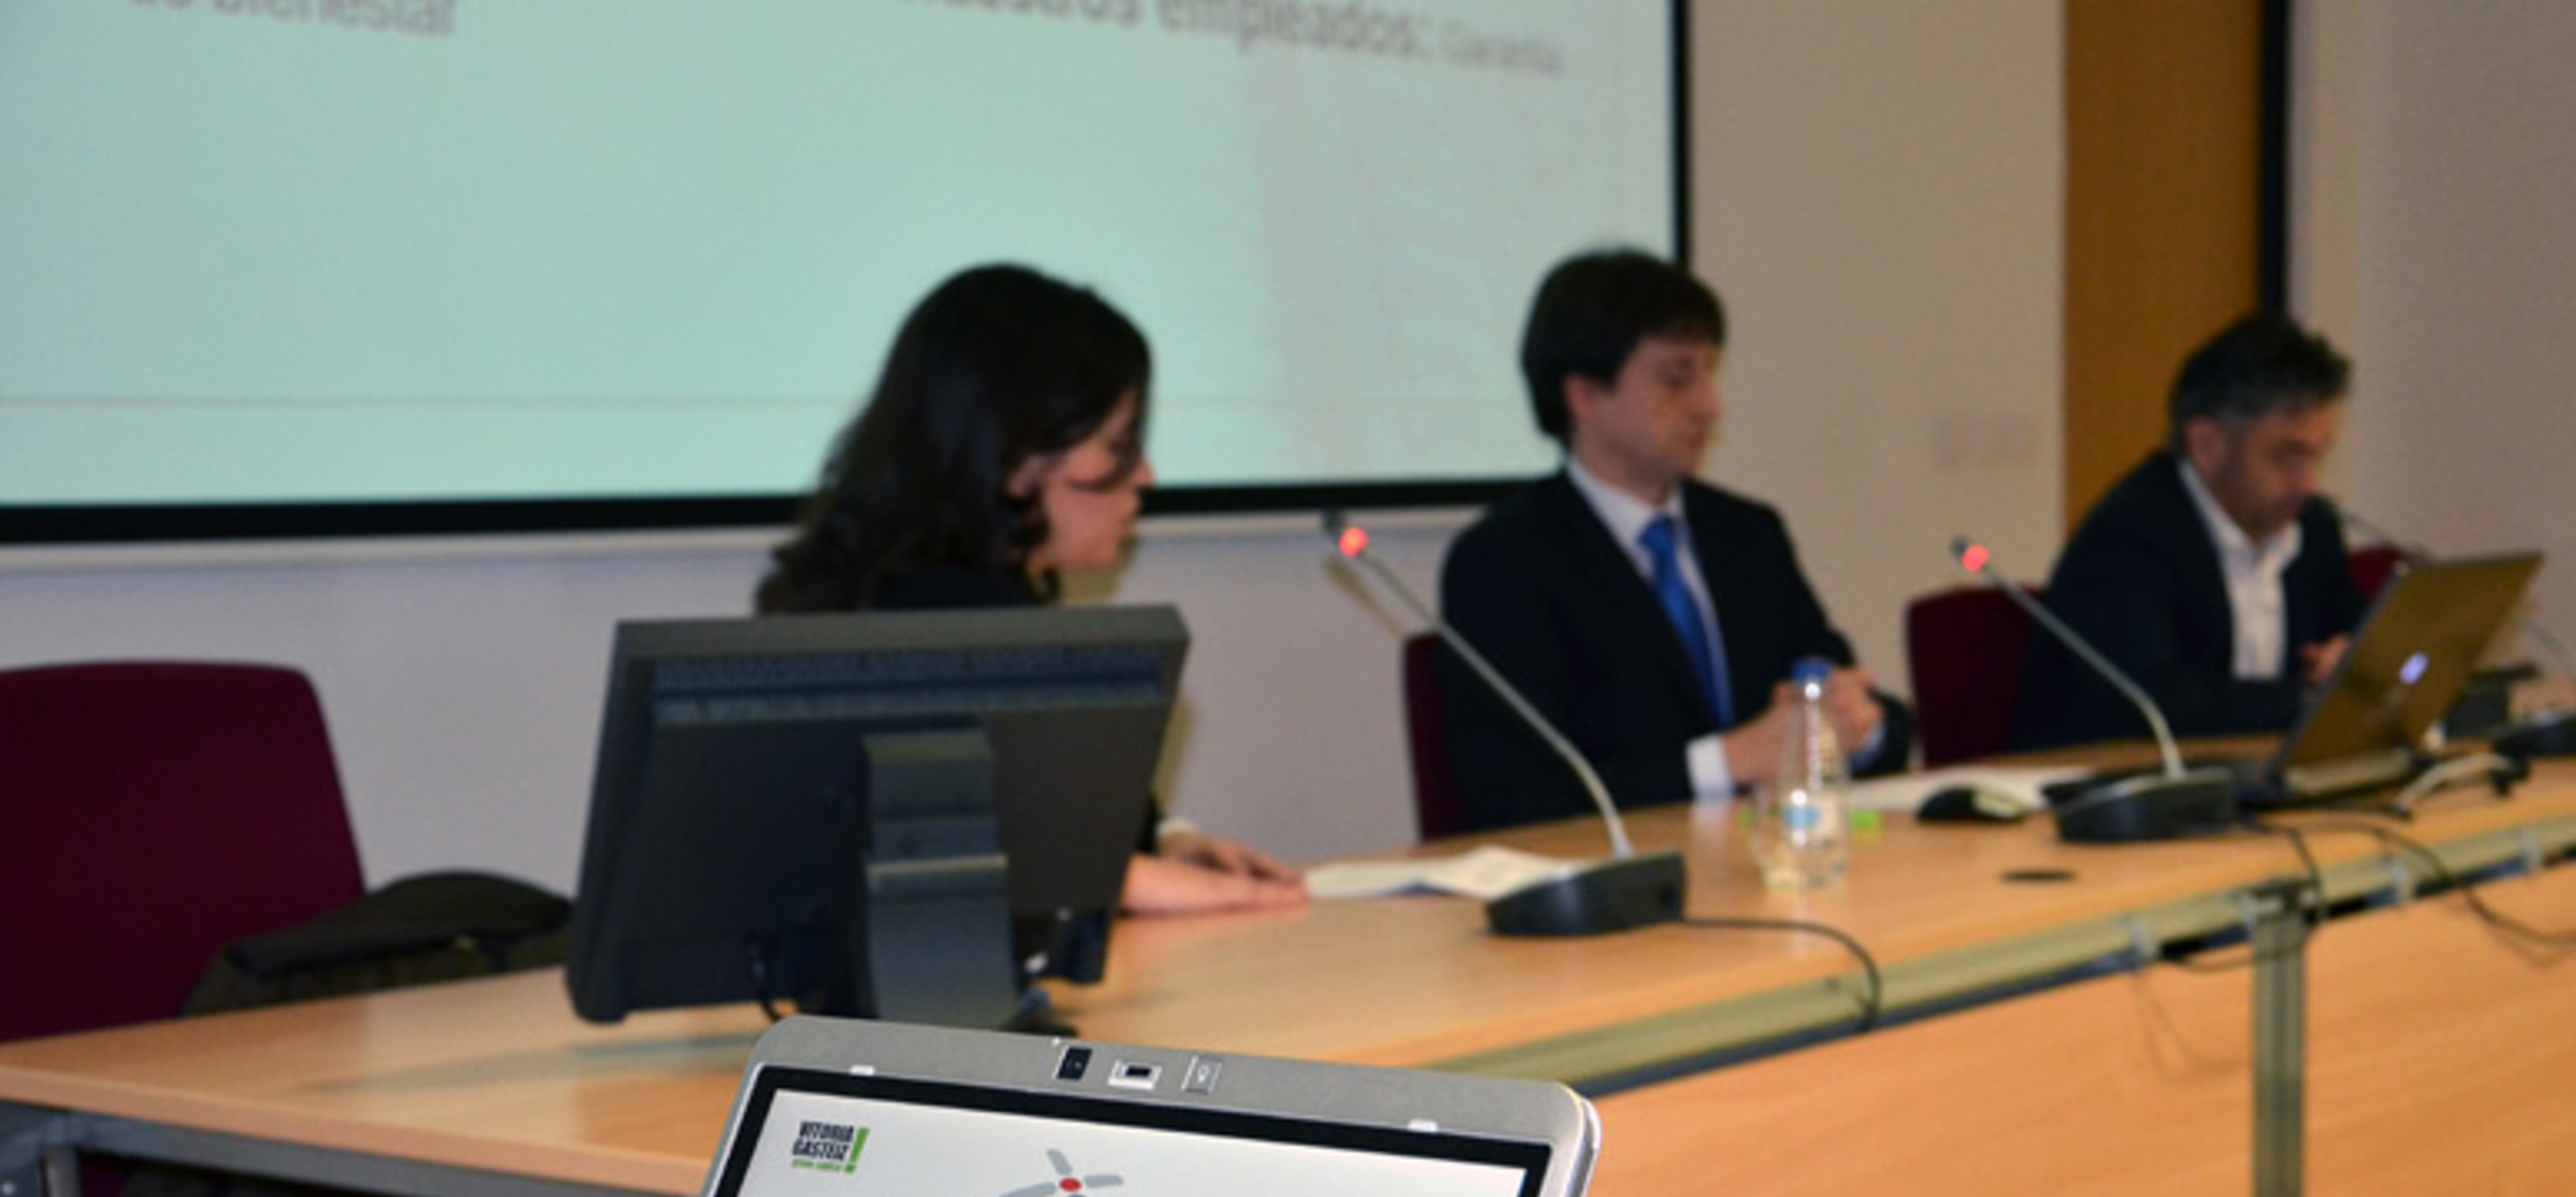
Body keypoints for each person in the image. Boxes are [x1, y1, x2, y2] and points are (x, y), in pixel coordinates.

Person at [757, 263, 1302, 915]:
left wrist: (1167, 844)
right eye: (1118, 445)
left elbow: (1069, 819)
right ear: (1017, 460)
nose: (1145, 475)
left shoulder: (968, 604)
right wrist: (1123, 880)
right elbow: (937, 864)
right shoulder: (930, 636)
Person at [1438, 248, 1914, 832]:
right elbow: (1518, 796)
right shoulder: (1504, 560)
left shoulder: (1748, 534)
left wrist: (1861, 725)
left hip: (1766, 861)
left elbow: (1860, 702)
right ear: (1585, 396)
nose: (1711, 406)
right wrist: (1729, 761)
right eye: (1676, 378)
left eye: (1710, 373)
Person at [2013, 312, 2367, 752]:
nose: (2308, 483)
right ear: (2206, 445)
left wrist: (2353, 663)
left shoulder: (2311, 528)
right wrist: (2314, 697)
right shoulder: (2129, 537)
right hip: (2113, 781)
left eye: (2318, 456)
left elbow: (2366, 649)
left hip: (2246, 779)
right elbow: (2158, 705)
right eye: (2285, 457)